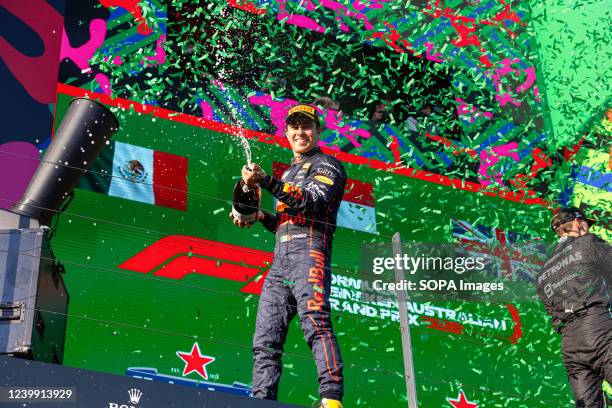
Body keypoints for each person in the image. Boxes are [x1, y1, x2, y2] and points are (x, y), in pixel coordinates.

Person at [230, 104, 346, 408]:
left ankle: (331, 399)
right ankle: (262, 400)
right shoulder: (290, 172)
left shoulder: (327, 166)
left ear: (318, 131)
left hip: (310, 254)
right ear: (286, 133)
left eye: (307, 126)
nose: (300, 132)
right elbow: (287, 223)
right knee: (265, 341)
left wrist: (268, 181)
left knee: (315, 322)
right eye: (294, 126)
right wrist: (258, 215)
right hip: (280, 262)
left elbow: (310, 202)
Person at [536, 206, 611, 407]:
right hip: (599, 328)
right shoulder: (587, 242)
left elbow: (555, 320)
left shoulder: (542, 274)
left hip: (570, 346)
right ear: (578, 223)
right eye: (586, 223)